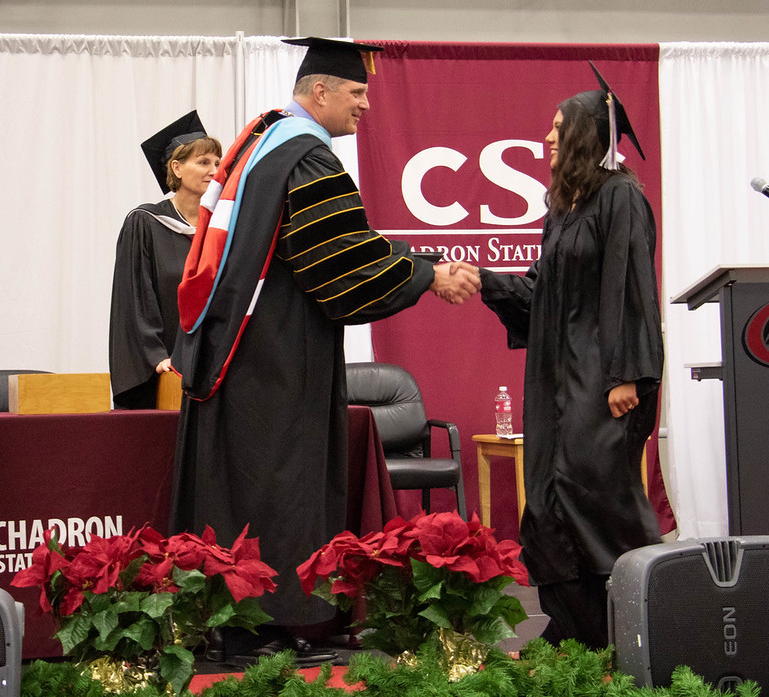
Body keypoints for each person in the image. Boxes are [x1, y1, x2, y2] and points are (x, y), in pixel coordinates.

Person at [169, 38, 481, 665]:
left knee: (241, 485)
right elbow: (342, 258)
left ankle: (239, 622)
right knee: (274, 485)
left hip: (247, 351)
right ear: (320, 92)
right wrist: (427, 275)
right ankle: (270, 627)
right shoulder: (305, 156)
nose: (366, 105)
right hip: (276, 359)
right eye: (357, 93)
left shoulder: (263, 144)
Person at [477, 63, 663, 649]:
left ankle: (636, 629)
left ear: (587, 134)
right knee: (550, 500)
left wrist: (626, 373)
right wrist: (480, 279)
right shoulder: (563, 207)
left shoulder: (621, 198)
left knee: (596, 498)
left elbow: (631, 286)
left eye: (559, 128)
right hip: (555, 378)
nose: (549, 138)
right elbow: (540, 292)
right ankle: (575, 634)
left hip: (604, 378)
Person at [109, 112, 222, 409]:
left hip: (217, 370)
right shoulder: (145, 224)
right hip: (167, 369)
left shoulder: (222, 229)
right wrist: (156, 356)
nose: (214, 171)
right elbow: (135, 299)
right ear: (177, 167)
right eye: (203, 162)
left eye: (217, 163)